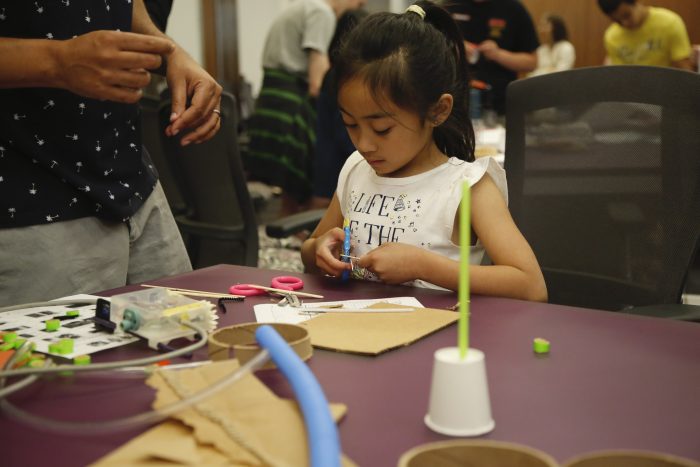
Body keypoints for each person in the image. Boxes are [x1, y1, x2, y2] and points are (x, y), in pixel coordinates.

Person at [301, 1, 547, 301]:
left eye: (382, 129)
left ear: (437, 111)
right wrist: (318, 250)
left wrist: (424, 265)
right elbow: (311, 249)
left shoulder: (468, 187)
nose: (364, 144)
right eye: (350, 124)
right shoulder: (356, 169)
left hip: (440, 341)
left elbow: (530, 285)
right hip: (356, 335)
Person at [0, 0, 223, 307]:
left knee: (186, 346)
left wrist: (170, 53)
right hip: (29, 199)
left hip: (134, 185)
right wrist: (57, 60)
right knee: (62, 356)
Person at [244, 0, 366, 218]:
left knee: (287, 179)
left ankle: (288, 219)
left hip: (271, 94)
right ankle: (298, 223)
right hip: (291, 97)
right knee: (298, 168)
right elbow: (316, 81)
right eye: (359, 2)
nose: (357, 7)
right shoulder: (322, 13)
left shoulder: (301, 6)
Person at [311, 8, 368, 210]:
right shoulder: (348, 78)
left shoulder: (332, 74)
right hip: (341, 158)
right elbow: (341, 131)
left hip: (327, 154)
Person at [443, 0, 539, 116]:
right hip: (454, 102)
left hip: (500, 106)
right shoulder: (450, 4)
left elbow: (531, 62)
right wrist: (455, 47)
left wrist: (498, 55)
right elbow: (431, 49)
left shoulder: (514, 8)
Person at [597, 0, 693, 70]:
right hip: (629, 91)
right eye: (617, 21)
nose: (625, 23)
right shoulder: (612, 36)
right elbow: (618, 74)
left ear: (636, 2)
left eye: (627, 15)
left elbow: (684, 67)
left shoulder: (670, 23)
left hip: (664, 87)